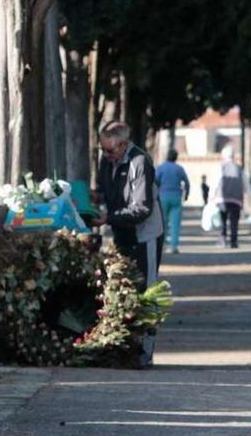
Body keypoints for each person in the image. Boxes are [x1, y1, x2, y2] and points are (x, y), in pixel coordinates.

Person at [92, 121, 165, 366]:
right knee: (123, 287)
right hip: (121, 231)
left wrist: (108, 217)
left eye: (110, 151)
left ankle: (145, 350)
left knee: (146, 289)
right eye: (102, 150)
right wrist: (94, 198)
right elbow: (106, 191)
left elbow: (142, 208)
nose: (106, 155)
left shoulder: (140, 162)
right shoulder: (107, 161)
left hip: (145, 234)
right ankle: (125, 345)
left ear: (123, 144)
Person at [156, 149, 190, 254]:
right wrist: (186, 195)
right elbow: (186, 183)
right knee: (175, 223)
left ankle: (163, 244)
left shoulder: (161, 168)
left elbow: (155, 181)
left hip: (163, 197)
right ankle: (174, 246)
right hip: (176, 196)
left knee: (163, 222)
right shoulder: (179, 169)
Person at [211, 145, 245, 248]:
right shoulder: (239, 168)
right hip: (236, 199)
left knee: (223, 221)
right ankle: (234, 242)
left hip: (222, 198)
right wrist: (248, 194)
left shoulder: (221, 167)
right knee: (234, 221)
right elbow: (245, 182)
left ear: (223, 156)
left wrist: (211, 195)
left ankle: (223, 240)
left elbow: (215, 182)